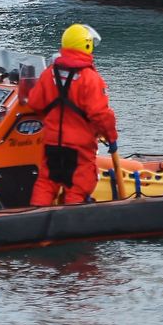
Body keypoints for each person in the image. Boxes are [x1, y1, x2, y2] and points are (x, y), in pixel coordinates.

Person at [28, 23, 119, 207]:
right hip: (79, 147)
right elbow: (101, 114)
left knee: (46, 183)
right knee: (78, 187)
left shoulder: (49, 73)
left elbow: (35, 103)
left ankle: (34, 224)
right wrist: (111, 138)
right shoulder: (90, 78)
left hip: (52, 142)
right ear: (87, 45)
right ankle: (70, 229)